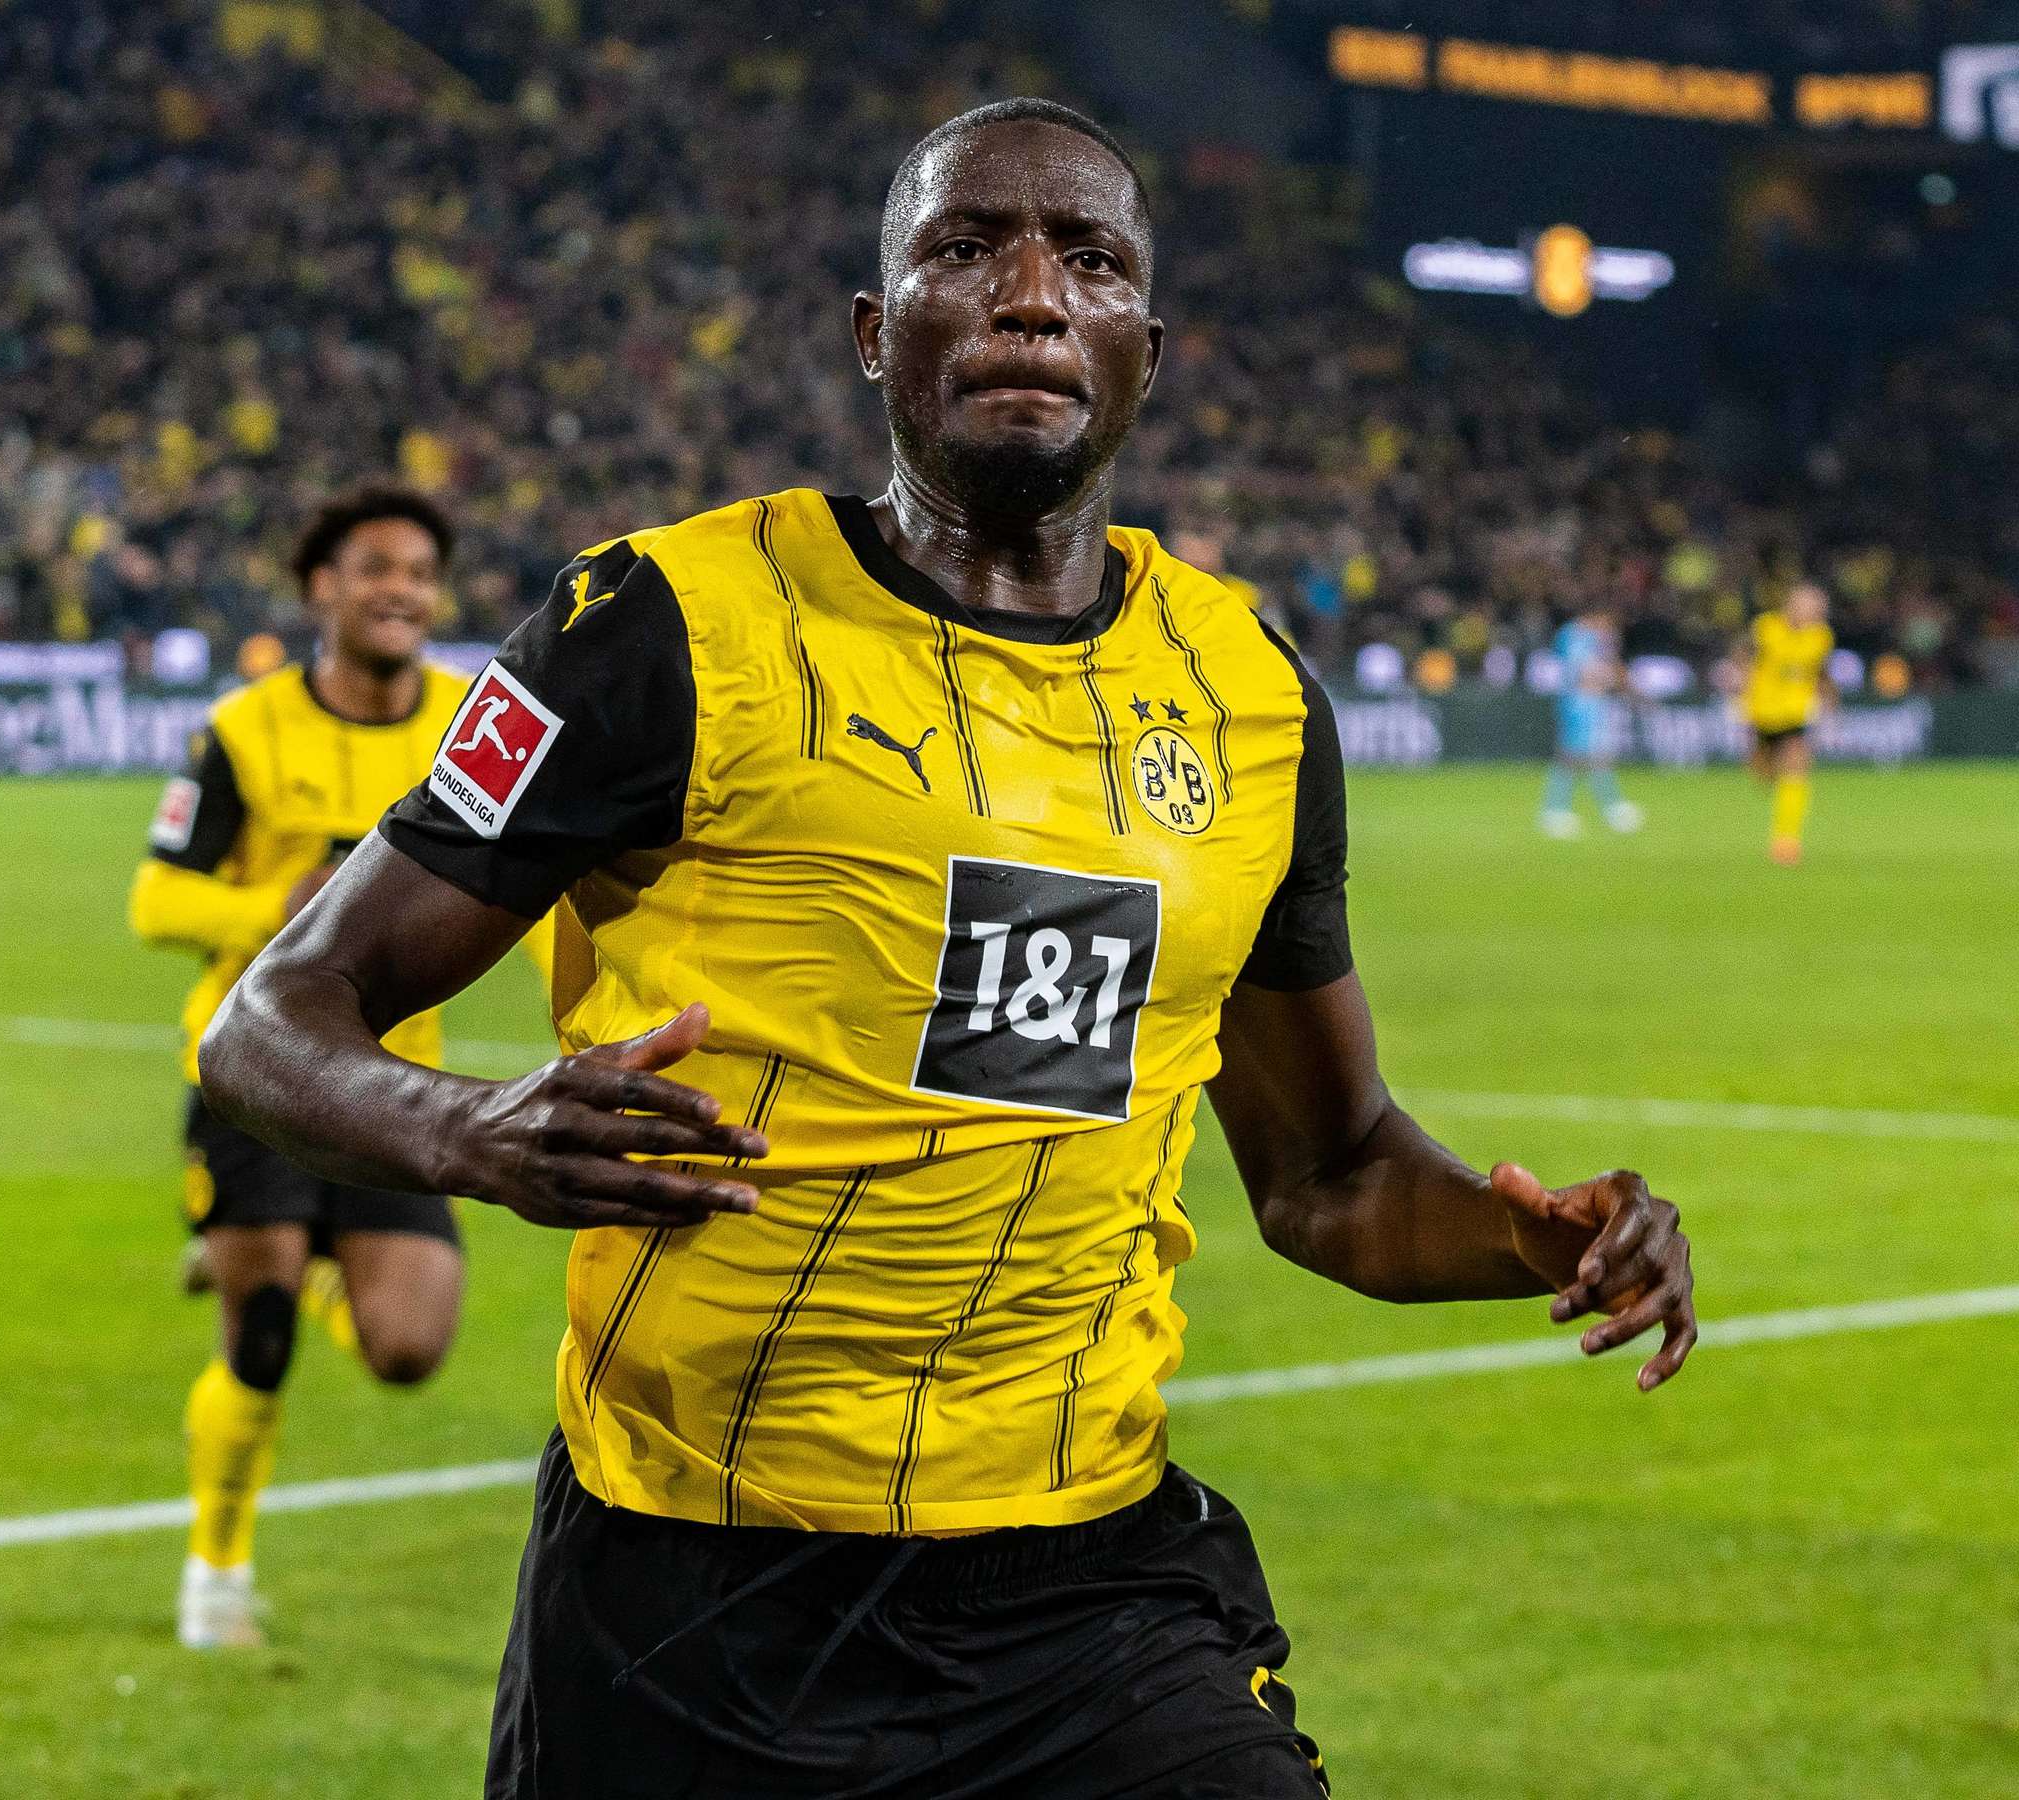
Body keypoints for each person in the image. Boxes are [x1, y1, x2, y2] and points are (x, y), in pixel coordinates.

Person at [201, 100, 1698, 1795]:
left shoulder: (1251, 695)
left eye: (1092, 261)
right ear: (875, 330)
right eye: (968, 248)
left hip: (1085, 1605)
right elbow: (272, 1020)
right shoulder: (663, 629)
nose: (1033, 296)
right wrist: (468, 1130)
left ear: (1148, 350)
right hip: (691, 1597)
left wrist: (1538, 1237)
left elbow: (1330, 1174)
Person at [129, 484, 558, 1649]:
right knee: (259, 1334)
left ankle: (309, 1260)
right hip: (254, 1071)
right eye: (375, 568)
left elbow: (545, 877)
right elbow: (155, 897)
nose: (400, 590)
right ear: (323, 588)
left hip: (395, 1085)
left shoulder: (477, 723)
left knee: (408, 1350)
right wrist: (272, 908)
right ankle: (217, 1570)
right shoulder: (244, 730)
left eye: (419, 572)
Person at [1740, 582, 1835, 866]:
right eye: (1809, 607)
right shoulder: (1765, 628)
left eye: (1818, 609)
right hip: (1762, 712)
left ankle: (1786, 840)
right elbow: (1744, 659)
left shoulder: (1821, 637)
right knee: (1764, 774)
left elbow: (1819, 671)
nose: (1814, 613)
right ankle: (1771, 773)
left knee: (1797, 765)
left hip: (1795, 713)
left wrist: (1829, 697)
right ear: (1791, 606)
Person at [1540, 605, 1642, 838]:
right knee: (1574, 757)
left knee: (1592, 756)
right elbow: (1584, 673)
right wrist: (1613, 679)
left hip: (1589, 702)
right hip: (1580, 703)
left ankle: (1607, 807)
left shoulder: (1581, 636)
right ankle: (1557, 811)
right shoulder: (1576, 636)